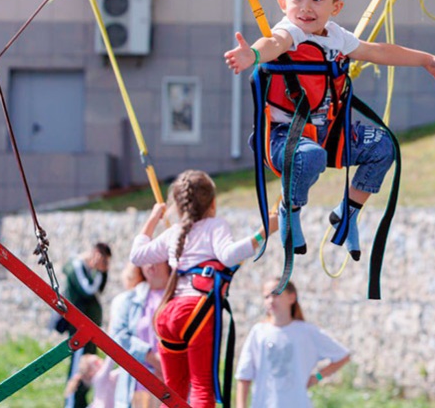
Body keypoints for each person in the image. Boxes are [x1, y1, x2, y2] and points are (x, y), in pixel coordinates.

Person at [223, 0, 435, 263]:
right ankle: (289, 210)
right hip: (282, 138)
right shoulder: (289, 33)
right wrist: (252, 55)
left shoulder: (336, 37)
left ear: (335, 8)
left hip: (327, 133)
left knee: (383, 147)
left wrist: (427, 60)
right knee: (310, 156)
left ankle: (346, 214)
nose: (306, 7)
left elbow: (379, 51)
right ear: (283, 3)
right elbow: (272, 45)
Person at [129, 170, 279, 408]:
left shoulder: (173, 232)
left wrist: (152, 219)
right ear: (213, 203)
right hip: (196, 311)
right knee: (201, 387)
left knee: (174, 389)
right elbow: (229, 256)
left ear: (178, 206)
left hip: (168, 316)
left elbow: (136, 255)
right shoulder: (214, 226)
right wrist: (264, 232)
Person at [235, 279, 351, 408]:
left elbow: (342, 356)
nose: (271, 300)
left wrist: (316, 377)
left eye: (276, 294)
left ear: (291, 297)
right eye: (266, 296)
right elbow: (244, 375)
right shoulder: (258, 332)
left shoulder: (307, 332)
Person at [109, 261, 170, 408]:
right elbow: (118, 336)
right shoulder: (128, 299)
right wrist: (153, 359)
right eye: (145, 260)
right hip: (137, 387)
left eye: (156, 258)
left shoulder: (180, 297)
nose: (150, 265)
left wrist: (168, 368)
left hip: (173, 385)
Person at [63, 242, 113, 408]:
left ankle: (80, 402)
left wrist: (101, 272)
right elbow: (89, 289)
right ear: (95, 253)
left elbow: (98, 289)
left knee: (88, 370)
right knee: (79, 369)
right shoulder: (77, 265)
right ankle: (71, 404)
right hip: (79, 330)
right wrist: (99, 271)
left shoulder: (91, 270)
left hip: (90, 329)